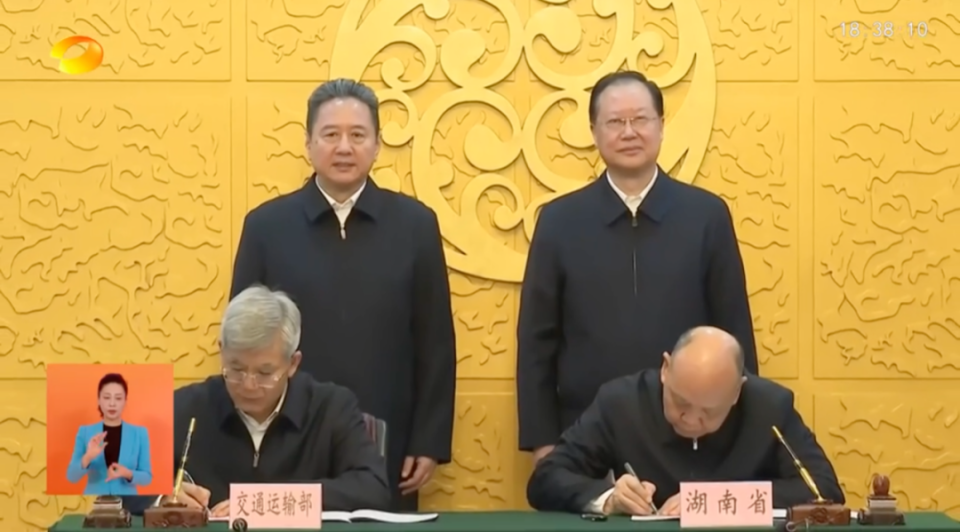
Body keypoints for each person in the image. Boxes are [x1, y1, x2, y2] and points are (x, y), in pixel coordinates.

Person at [229, 78, 456, 510]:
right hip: (287, 433)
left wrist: (429, 440)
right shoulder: (266, 227)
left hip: (387, 434)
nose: (344, 148)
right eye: (330, 135)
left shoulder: (415, 225)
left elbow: (435, 344)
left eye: (358, 135)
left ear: (378, 145)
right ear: (308, 144)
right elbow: (242, 343)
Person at [517, 70, 758, 463]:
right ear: (594, 132)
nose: (629, 132)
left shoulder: (706, 216)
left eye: (641, 119)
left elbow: (734, 331)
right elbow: (536, 341)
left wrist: (742, 436)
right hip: (584, 432)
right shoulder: (560, 221)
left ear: (661, 126)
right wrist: (542, 441)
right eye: (615, 122)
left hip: (692, 430)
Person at [123, 285, 391, 517]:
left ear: (292, 363)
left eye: (264, 373)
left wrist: (269, 501)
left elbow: (373, 487)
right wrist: (163, 498)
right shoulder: (185, 407)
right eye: (236, 369)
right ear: (221, 352)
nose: (248, 385)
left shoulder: (331, 408)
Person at [526, 326, 842, 515]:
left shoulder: (769, 406)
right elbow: (546, 479)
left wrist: (711, 501)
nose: (690, 419)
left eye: (709, 411)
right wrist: (610, 498)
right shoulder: (621, 403)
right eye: (680, 402)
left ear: (736, 392)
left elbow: (824, 491)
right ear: (666, 369)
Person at [67, 373, 153, 495]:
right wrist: (88, 457)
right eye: (107, 397)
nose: (112, 403)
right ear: (99, 400)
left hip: (127, 501)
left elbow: (147, 477)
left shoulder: (139, 434)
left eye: (118, 398)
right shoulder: (85, 432)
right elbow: (71, 477)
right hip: (94, 500)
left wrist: (127, 473)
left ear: (125, 401)